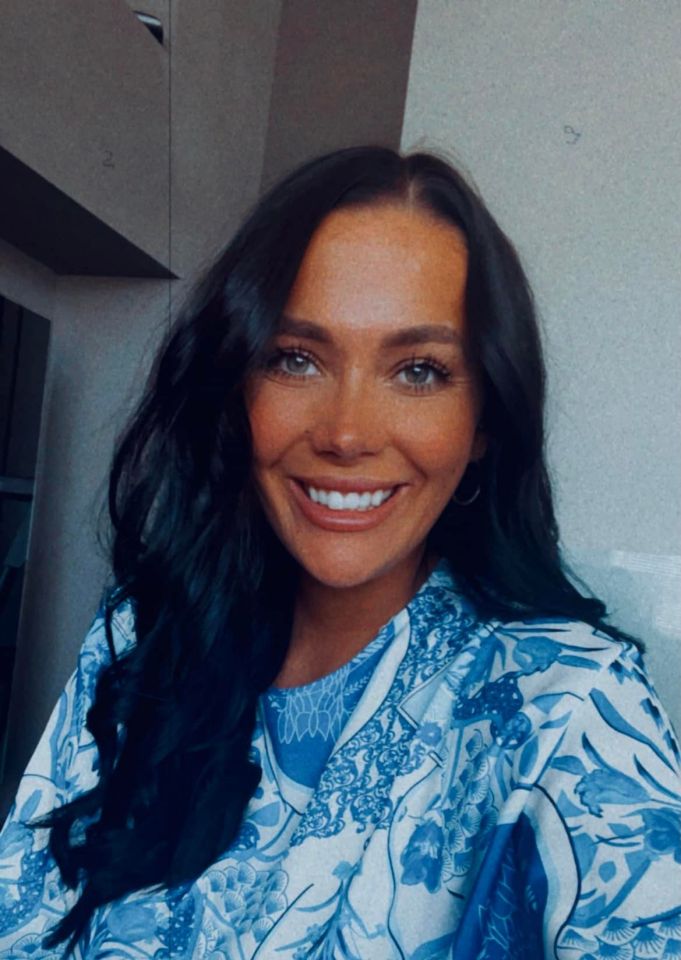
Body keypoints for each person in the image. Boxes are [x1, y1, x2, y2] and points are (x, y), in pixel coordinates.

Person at [1, 145, 679, 960]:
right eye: (296, 358)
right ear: (235, 384)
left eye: (418, 371)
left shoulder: (569, 711)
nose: (346, 433)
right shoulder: (145, 636)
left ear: (483, 423)